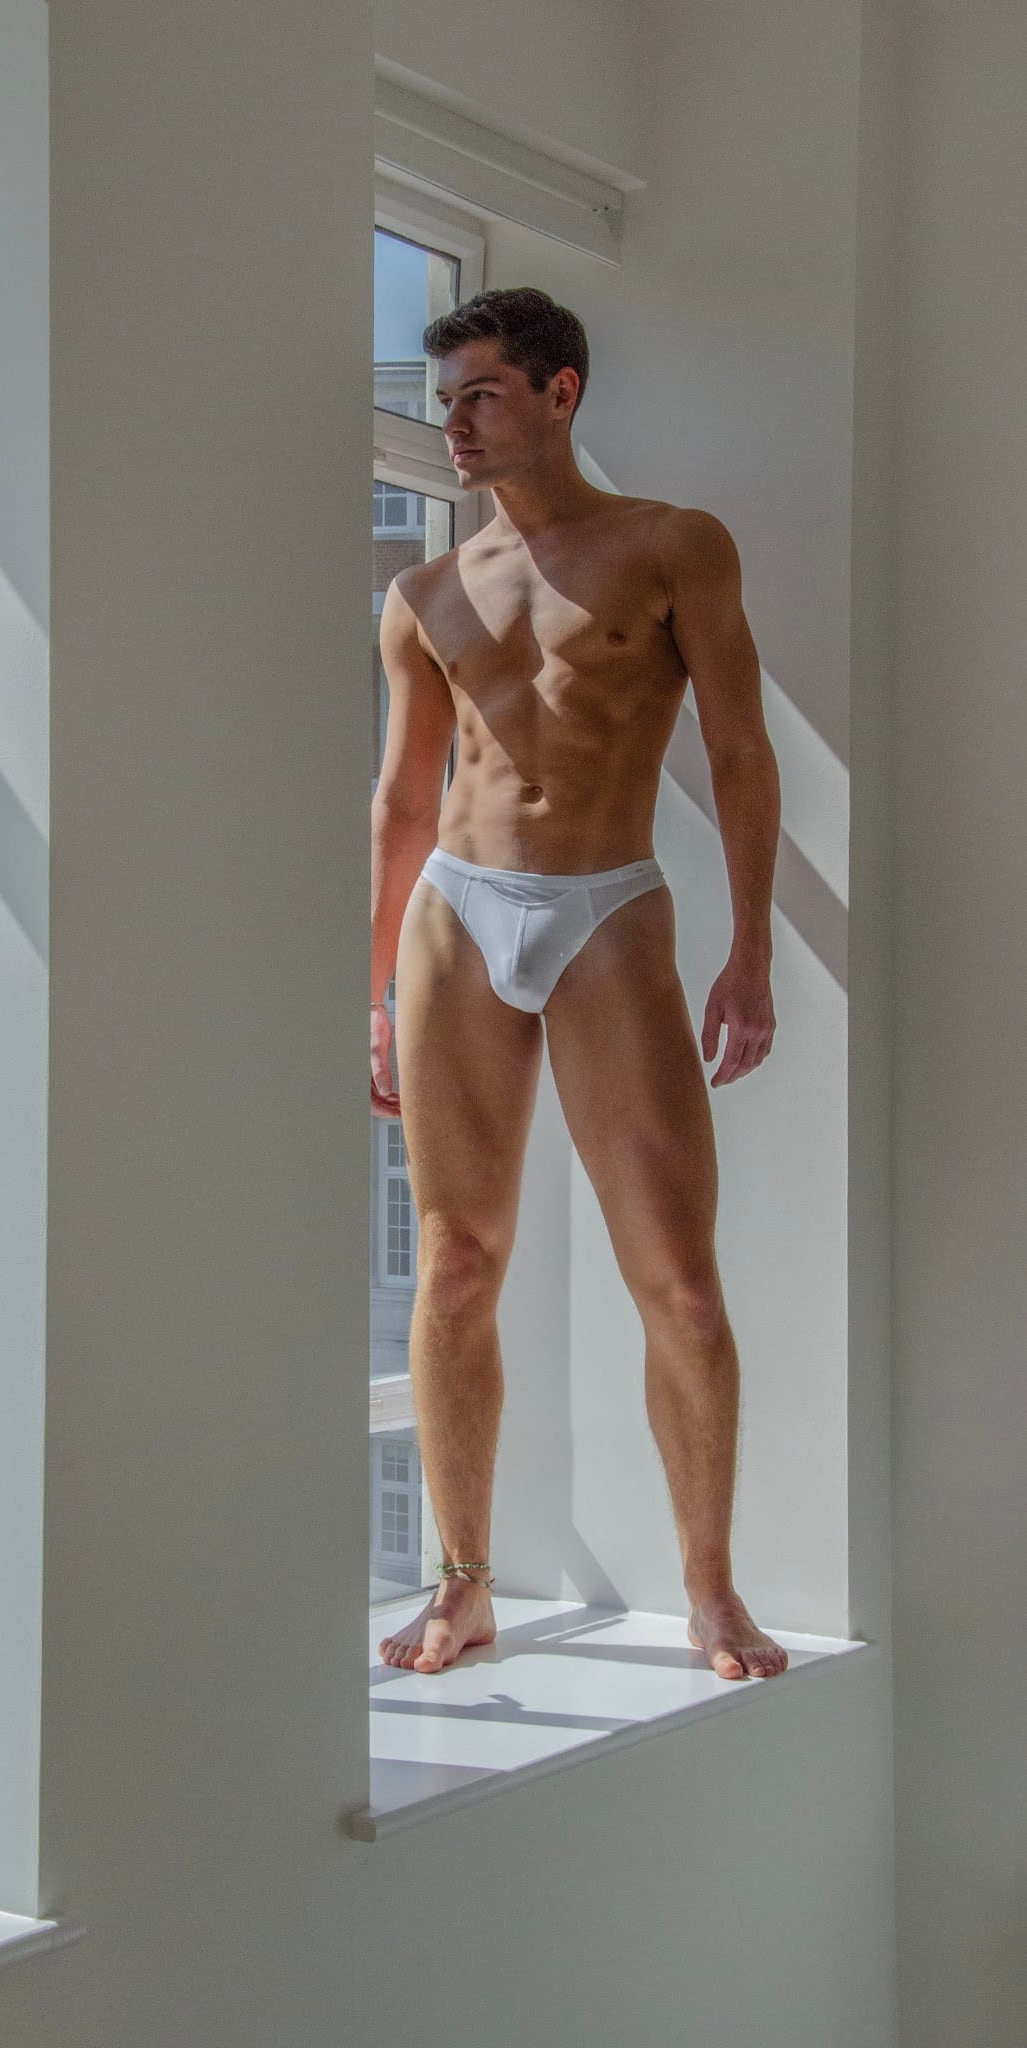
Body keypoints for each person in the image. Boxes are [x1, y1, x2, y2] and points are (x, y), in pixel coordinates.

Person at [370, 285, 787, 1683]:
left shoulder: (673, 546)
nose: (455, 426)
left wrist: (750, 947)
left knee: (679, 1282)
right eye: (445, 403)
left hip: (608, 905)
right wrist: (373, 994)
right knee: (455, 1263)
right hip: (457, 914)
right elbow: (401, 803)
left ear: (561, 392)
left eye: (481, 396)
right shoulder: (425, 595)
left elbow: (739, 749)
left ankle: (711, 1590)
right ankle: (464, 1584)